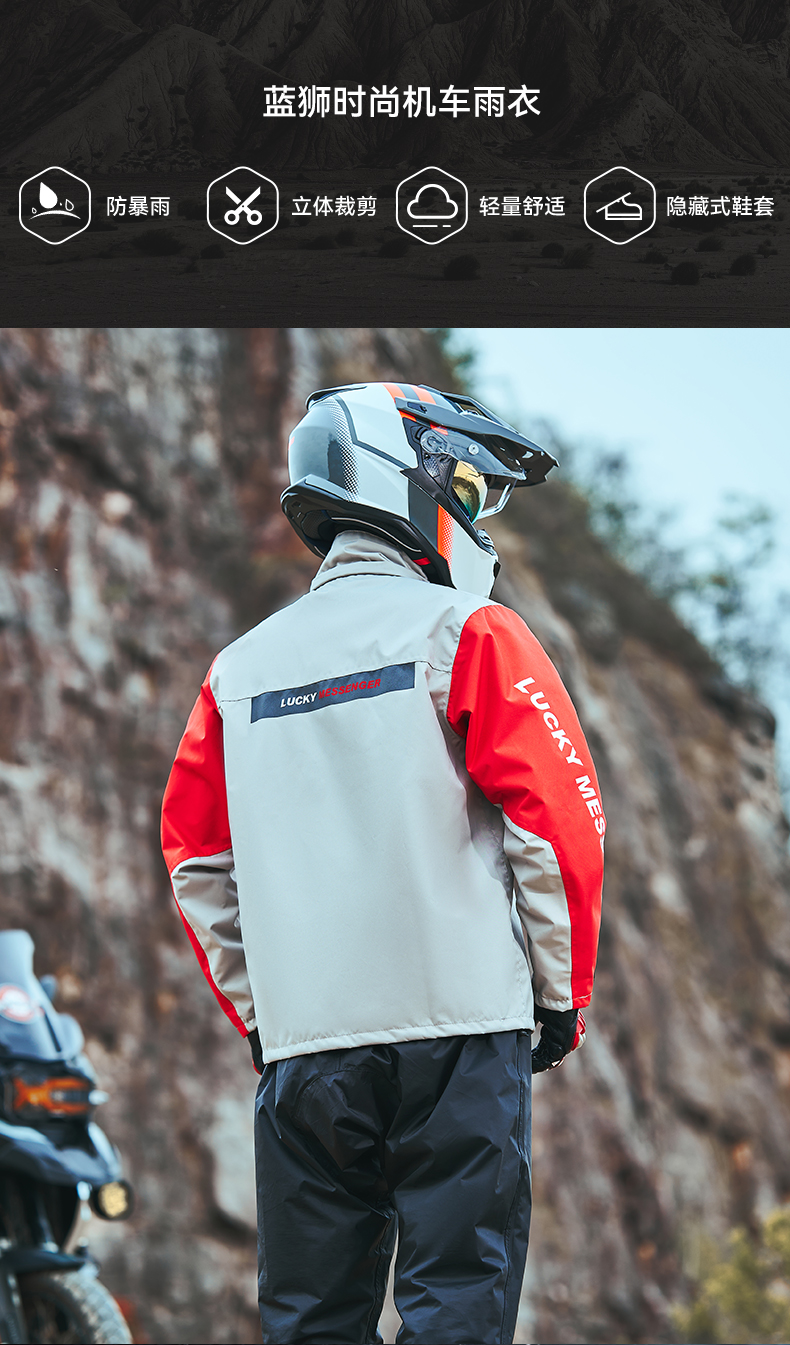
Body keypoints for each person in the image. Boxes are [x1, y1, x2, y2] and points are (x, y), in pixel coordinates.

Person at [161, 381, 604, 1345]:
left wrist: (262, 1011)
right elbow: (557, 823)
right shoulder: (467, 631)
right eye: (469, 492)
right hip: (460, 1030)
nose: (475, 518)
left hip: (307, 1049)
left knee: (312, 1317)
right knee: (457, 1303)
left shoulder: (237, 670)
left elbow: (196, 857)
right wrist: (558, 996)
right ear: (411, 480)